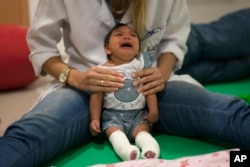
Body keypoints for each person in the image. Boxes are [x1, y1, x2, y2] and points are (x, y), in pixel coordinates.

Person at [0, 1, 249, 167]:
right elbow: (41, 47)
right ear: (107, 47)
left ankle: (242, 158)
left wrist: (161, 73)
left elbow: (175, 39)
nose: (126, 36)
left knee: (231, 112)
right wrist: (76, 77)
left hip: (149, 86)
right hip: (82, 89)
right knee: (28, 133)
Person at [89, 23, 160, 160]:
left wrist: (153, 111)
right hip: (112, 116)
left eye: (133, 35)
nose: (127, 36)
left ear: (138, 49)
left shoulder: (141, 65)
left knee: (143, 133)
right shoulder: (102, 71)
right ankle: (127, 152)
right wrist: (95, 119)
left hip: (139, 115)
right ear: (107, 48)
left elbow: (149, 89)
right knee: (115, 134)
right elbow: (96, 96)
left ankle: (150, 149)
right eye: (119, 34)